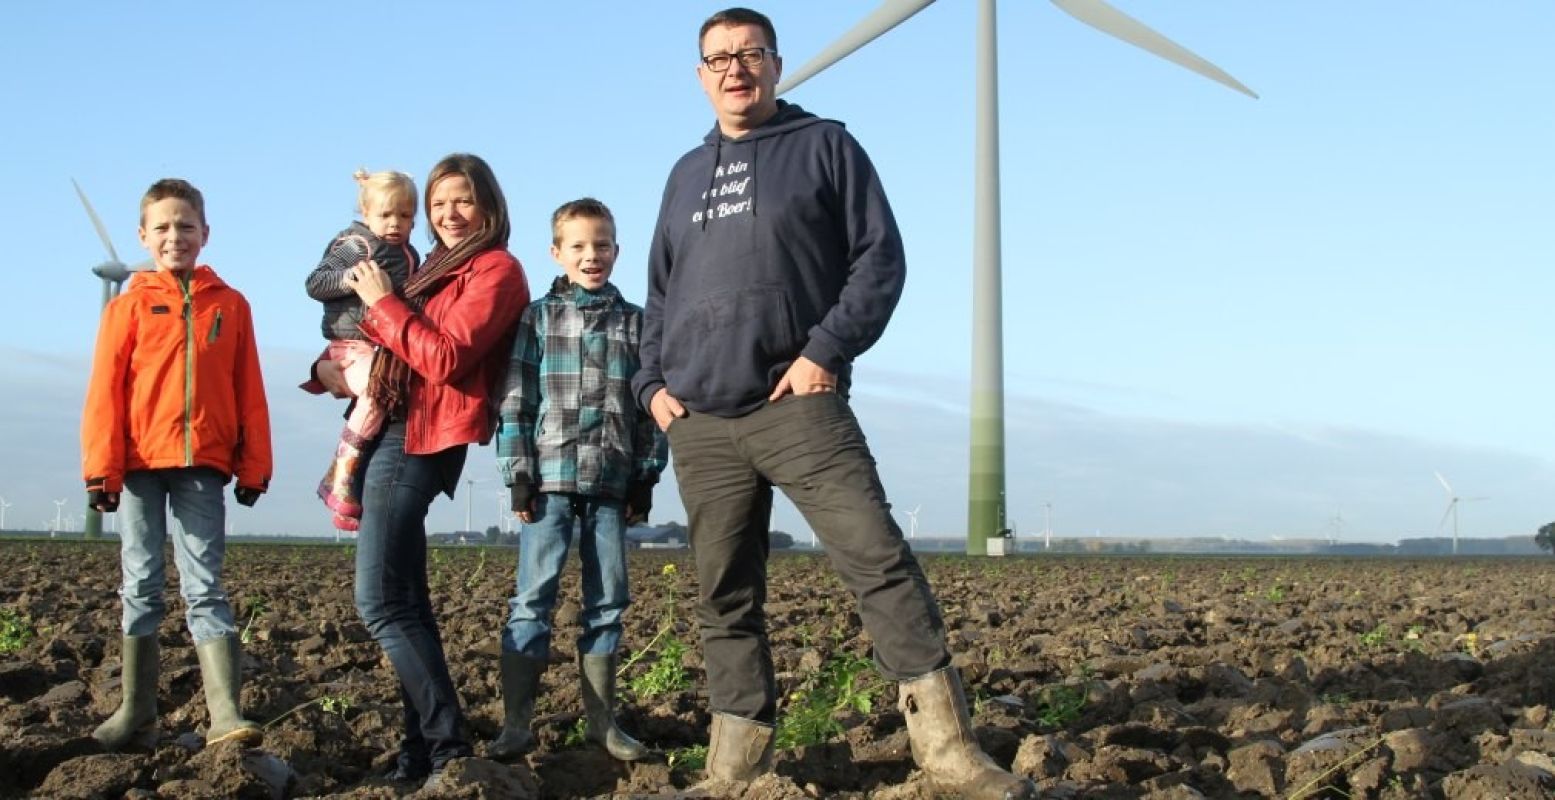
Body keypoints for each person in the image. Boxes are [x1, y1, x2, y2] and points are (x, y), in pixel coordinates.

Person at [633, 9, 1036, 799]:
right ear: (699, 75)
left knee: (876, 560)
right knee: (724, 592)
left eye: (749, 54)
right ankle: (734, 766)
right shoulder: (684, 172)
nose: (733, 69)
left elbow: (878, 259)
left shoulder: (824, 146)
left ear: (777, 65)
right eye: (717, 58)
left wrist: (824, 351)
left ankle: (948, 753)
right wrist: (652, 388)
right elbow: (658, 293)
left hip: (797, 404)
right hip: (702, 423)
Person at [313, 153, 530, 788]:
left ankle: (446, 747)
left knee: (378, 601)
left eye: (462, 200)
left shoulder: (496, 270)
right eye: (438, 203)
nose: (448, 214)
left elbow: (444, 355)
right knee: (407, 602)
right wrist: (327, 371)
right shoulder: (433, 265)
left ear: (488, 204)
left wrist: (381, 302)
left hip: (422, 437)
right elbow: (382, 343)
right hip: (392, 423)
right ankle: (418, 758)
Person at [82, 178, 272, 751]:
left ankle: (224, 714)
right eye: (162, 227)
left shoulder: (231, 305)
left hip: (203, 465)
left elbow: (249, 388)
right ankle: (136, 710)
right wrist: (101, 470)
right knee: (140, 583)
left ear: (205, 233)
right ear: (143, 236)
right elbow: (104, 393)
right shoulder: (127, 306)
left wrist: (255, 465)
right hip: (139, 464)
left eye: (185, 226)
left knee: (204, 586)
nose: (174, 237)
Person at [489, 198, 666, 762]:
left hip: (612, 482)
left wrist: (646, 476)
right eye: (580, 247)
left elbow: (649, 407)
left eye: (603, 245)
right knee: (533, 599)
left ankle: (602, 724)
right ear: (557, 253)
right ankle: (516, 726)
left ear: (617, 248)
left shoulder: (636, 321)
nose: (593, 256)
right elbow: (516, 400)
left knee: (608, 600)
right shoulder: (537, 318)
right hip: (549, 481)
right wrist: (519, 474)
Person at [304, 169, 420, 532]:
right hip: (349, 344)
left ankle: (342, 479)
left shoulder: (410, 254)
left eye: (405, 216)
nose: (395, 223)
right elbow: (316, 282)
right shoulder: (357, 244)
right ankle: (344, 470)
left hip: (380, 347)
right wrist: (357, 280)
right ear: (366, 213)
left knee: (386, 396)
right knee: (376, 390)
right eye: (386, 215)